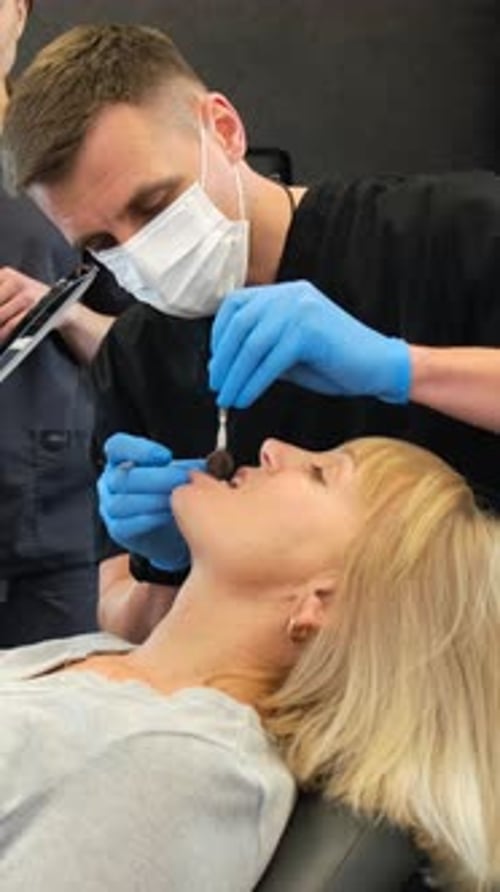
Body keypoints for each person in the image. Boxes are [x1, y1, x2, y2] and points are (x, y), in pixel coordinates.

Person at [3, 24, 500, 639]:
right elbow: (127, 626)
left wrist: (405, 368)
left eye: (156, 206)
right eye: (102, 244)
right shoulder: (138, 357)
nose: (143, 253)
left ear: (225, 129)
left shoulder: (452, 231)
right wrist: (161, 561)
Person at [0, 434, 498, 891]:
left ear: (322, 601)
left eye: (320, 474)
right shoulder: (108, 664)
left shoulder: (173, 765)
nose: (271, 448)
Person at [0, 6, 134, 645]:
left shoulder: (77, 145)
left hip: (62, 522)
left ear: (19, 10)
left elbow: (148, 348)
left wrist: (57, 310)